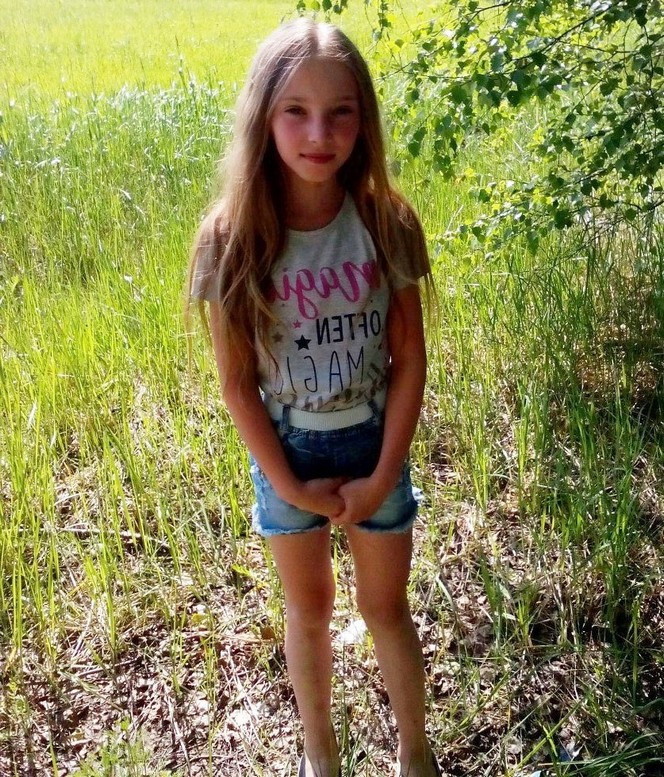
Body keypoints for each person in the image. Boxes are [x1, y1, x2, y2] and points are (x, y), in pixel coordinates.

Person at [187, 17, 440, 777]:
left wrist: (383, 472)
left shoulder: (385, 221)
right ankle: (320, 755)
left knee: (386, 608)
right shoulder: (231, 237)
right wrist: (290, 483)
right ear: (262, 118)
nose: (319, 133)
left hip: (373, 442)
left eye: (340, 112)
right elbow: (237, 384)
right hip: (287, 450)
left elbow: (409, 359)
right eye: (295, 110)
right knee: (309, 610)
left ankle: (416, 754)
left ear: (364, 120)